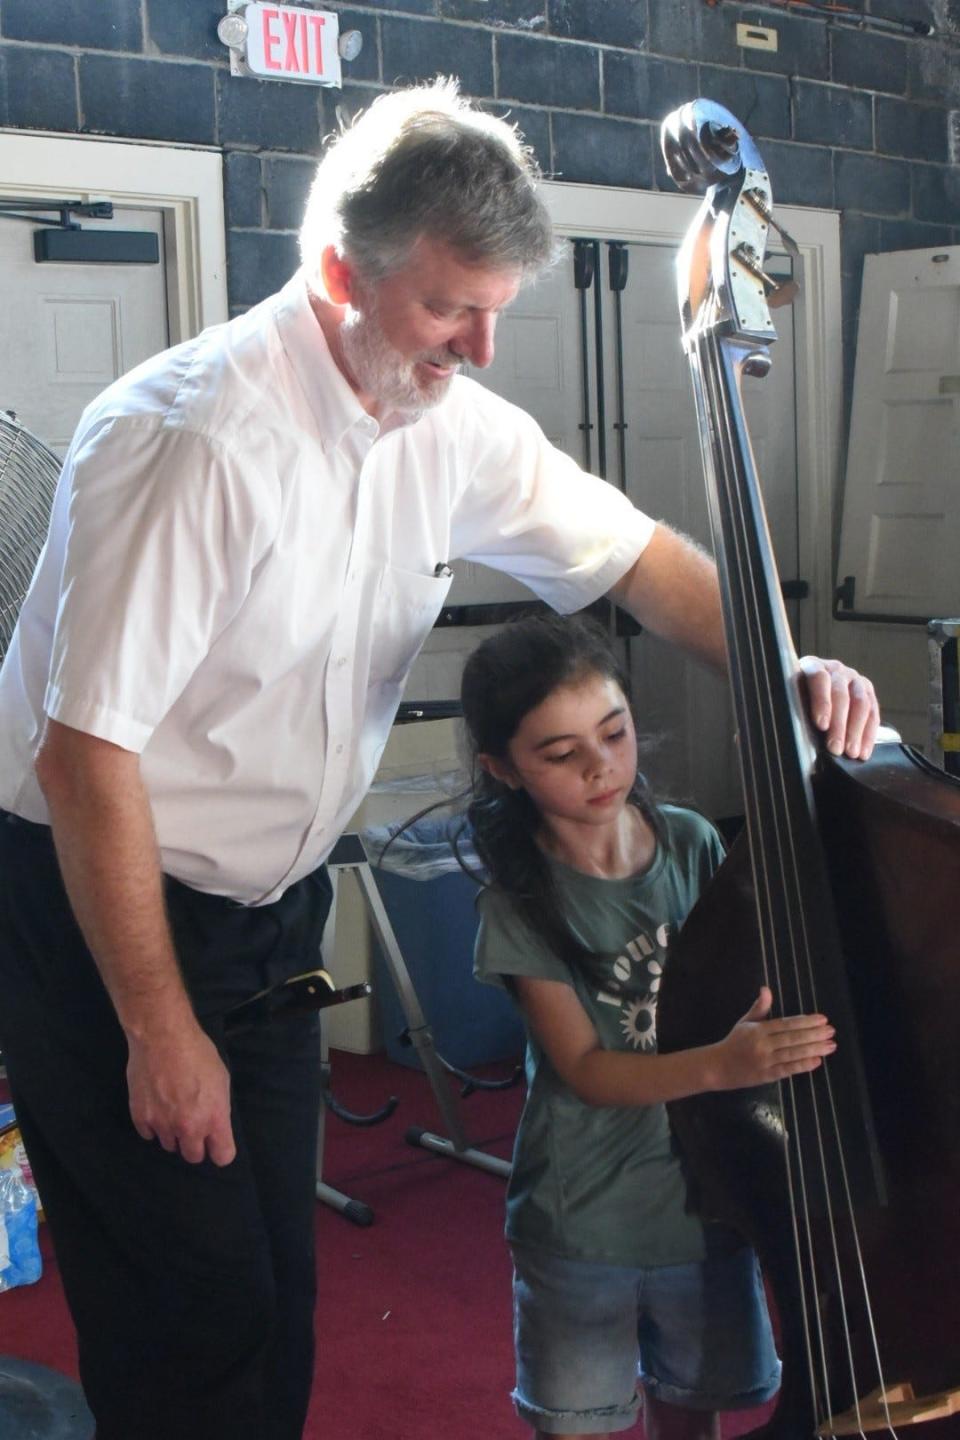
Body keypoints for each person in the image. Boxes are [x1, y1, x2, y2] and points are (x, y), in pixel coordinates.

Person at [0, 79, 876, 1440]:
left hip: (264, 920)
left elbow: (639, 559)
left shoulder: (444, 420)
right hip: (100, 907)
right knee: (186, 1312)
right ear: (340, 267)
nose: (474, 346)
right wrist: (156, 1030)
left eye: (493, 314)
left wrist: (786, 665)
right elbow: (83, 760)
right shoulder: (191, 436)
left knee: (276, 1300)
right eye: (446, 309)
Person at [465, 612, 836, 1440]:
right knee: (579, 1424)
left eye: (615, 733)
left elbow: (754, 975)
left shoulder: (693, 843)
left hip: (710, 1205)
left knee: (693, 1413)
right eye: (562, 755)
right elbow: (586, 1069)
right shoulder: (519, 904)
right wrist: (724, 1066)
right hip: (584, 1222)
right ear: (503, 769)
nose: (603, 769)